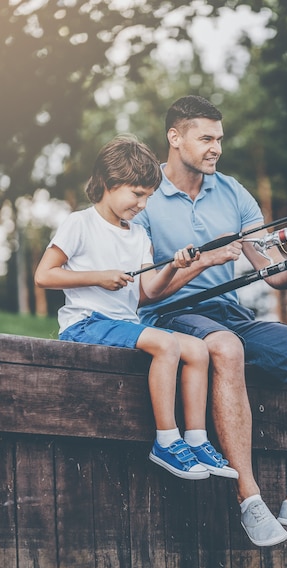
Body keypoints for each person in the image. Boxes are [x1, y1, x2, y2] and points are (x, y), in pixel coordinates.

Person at [134, 96, 287, 546]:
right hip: (170, 314)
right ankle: (250, 498)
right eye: (205, 138)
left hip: (231, 314)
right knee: (227, 346)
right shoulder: (145, 196)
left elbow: (272, 271)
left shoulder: (232, 191)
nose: (215, 148)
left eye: (219, 139)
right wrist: (201, 262)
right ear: (174, 137)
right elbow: (144, 290)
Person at [34, 134, 238, 482]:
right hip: (86, 323)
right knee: (167, 343)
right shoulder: (80, 223)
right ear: (107, 184)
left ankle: (196, 438)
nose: (142, 204)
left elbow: (147, 294)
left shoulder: (139, 236)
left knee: (199, 350)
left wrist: (174, 266)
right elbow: (44, 275)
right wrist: (99, 277)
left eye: (148, 196)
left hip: (123, 322)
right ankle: (166, 441)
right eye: (136, 194)